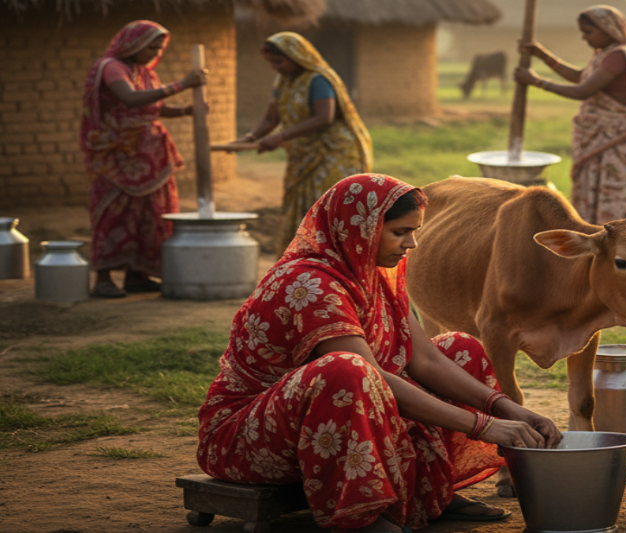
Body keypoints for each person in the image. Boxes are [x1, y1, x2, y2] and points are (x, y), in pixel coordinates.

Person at [197, 174, 561, 533]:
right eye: (400, 233)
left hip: (337, 416)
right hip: (250, 437)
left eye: (415, 231)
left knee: (459, 348)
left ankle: (432, 492)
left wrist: (511, 409)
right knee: (345, 370)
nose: (412, 245)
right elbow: (367, 376)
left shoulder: (371, 274)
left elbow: (426, 360)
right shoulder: (309, 283)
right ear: (358, 230)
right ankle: (364, 519)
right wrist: (486, 426)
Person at [80, 20, 206, 298]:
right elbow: (131, 98)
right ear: (133, 43)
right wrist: (182, 84)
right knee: (113, 213)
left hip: (150, 156)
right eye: (151, 47)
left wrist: (184, 111)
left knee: (150, 214)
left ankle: (137, 275)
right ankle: (103, 278)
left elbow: (151, 107)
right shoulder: (111, 66)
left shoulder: (144, 71)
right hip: (118, 156)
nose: (154, 53)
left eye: (159, 48)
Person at [513, 5, 626, 224]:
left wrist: (536, 82)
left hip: (616, 138)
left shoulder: (620, 55)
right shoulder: (605, 55)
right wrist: (542, 55)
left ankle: (621, 236)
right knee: (598, 185)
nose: (584, 38)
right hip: (603, 137)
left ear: (607, 29)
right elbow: (581, 76)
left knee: (614, 188)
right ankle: (596, 233)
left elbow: (584, 90)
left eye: (589, 32)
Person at [235, 32, 372, 248]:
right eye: (271, 63)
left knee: (328, 205)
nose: (275, 67)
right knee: (301, 204)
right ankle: (303, 258)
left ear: (296, 57)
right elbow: (272, 117)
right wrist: (250, 138)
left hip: (333, 154)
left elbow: (324, 118)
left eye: (279, 62)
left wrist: (279, 138)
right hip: (303, 153)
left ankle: (336, 257)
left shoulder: (318, 80)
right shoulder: (282, 81)